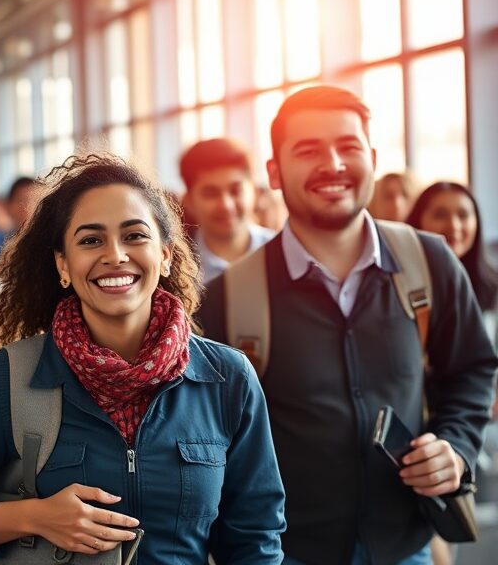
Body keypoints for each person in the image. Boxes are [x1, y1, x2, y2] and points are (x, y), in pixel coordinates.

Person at [0, 153, 286, 562]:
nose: (115, 255)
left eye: (135, 236)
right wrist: (35, 516)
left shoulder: (228, 378)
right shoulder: (10, 378)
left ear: (166, 255)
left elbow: (255, 536)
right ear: (63, 265)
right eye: (90, 240)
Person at [197, 86, 498, 565]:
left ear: (372, 159)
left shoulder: (429, 262)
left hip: (405, 544)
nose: (333, 164)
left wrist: (456, 445)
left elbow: (472, 368)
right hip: (285, 550)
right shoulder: (229, 300)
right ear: (274, 173)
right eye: (308, 150)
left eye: (349, 147)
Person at [407, 181, 498, 345]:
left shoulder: (493, 285)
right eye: (440, 215)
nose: (454, 226)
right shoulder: (400, 283)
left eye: (463, 215)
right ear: (418, 220)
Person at [180, 138, 278, 282]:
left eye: (235, 190)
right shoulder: (178, 271)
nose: (226, 205)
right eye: (211, 193)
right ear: (189, 201)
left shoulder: (283, 255)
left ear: (255, 192)